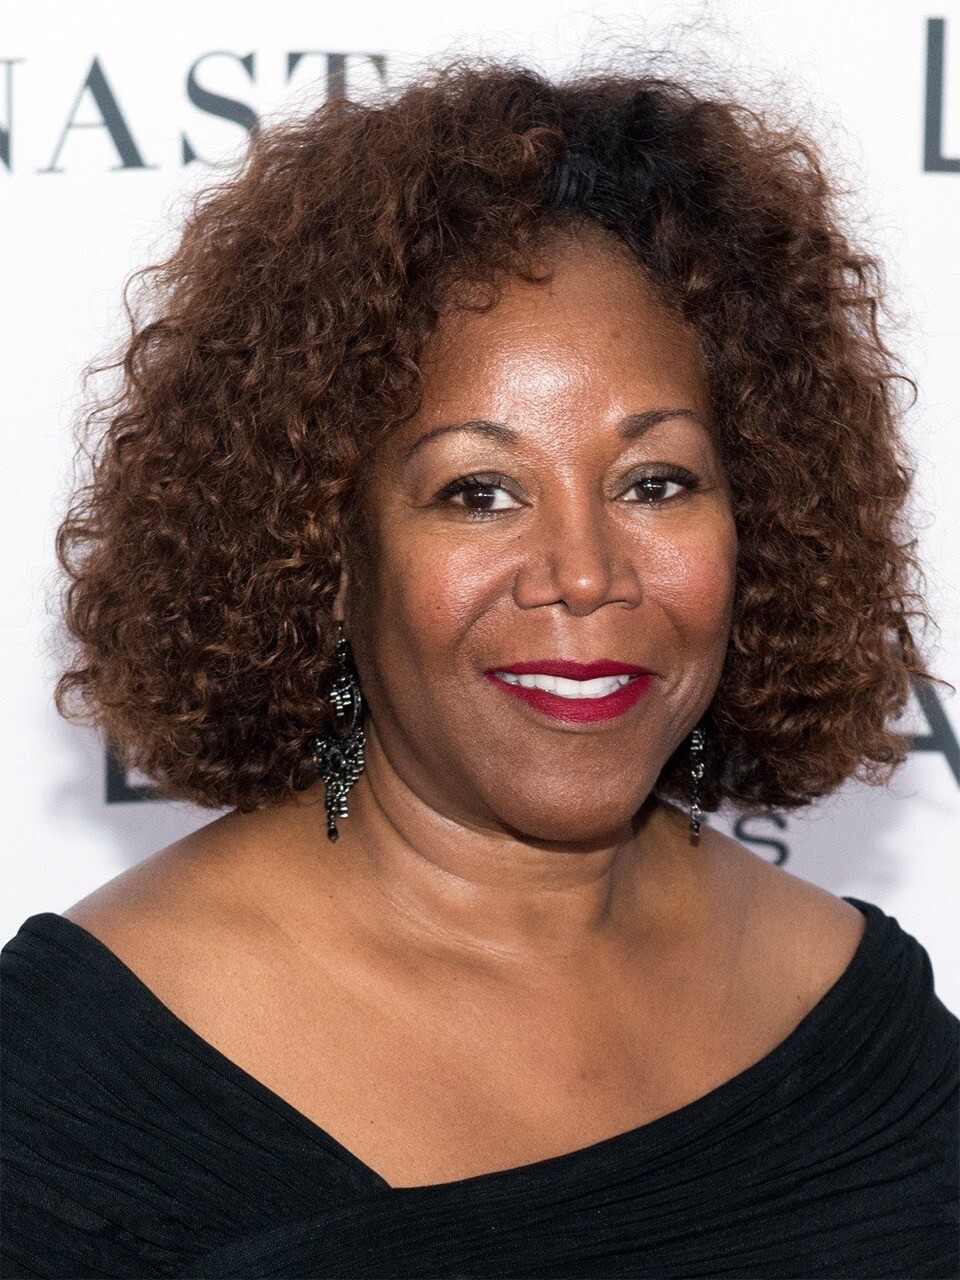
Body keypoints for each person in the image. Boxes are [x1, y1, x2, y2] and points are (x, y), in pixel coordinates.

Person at [2, 54, 957, 1280]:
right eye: (478, 491)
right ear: (326, 549)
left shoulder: (869, 1029)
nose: (584, 573)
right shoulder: (71, 1087)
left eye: (656, 481)